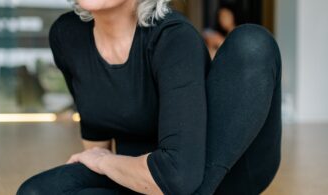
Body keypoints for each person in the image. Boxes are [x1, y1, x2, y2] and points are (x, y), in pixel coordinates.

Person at [17, 0, 282, 194]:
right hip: (143, 172)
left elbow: (179, 176)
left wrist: (106, 162)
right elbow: (96, 138)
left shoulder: (173, 36)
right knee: (35, 192)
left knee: (252, 43)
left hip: (216, 171)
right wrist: (103, 163)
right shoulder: (67, 34)